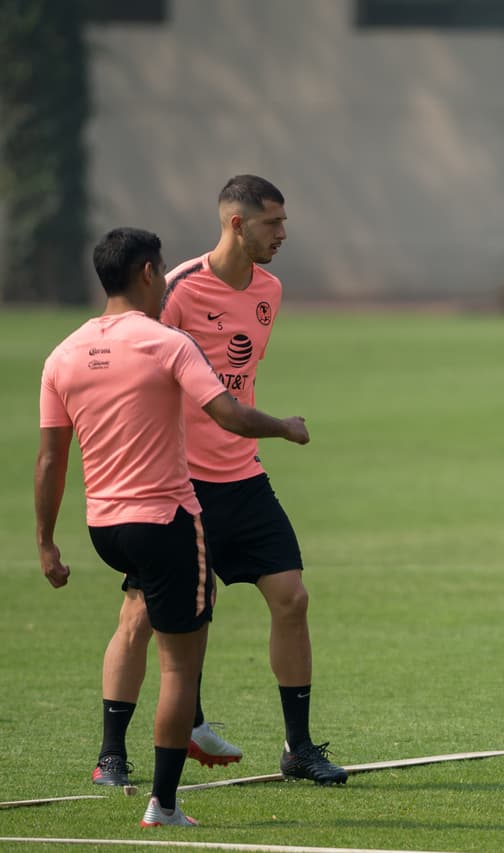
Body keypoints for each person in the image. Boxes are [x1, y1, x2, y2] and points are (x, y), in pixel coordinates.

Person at [38, 227, 310, 826]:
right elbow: (229, 414)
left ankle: (121, 756)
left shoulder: (64, 353)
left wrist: (45, 543)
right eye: (160, 271)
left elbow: (52, 460)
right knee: (179, 666)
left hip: (102, 525)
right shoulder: (167, 342)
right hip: (166, 516)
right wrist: (285, 426)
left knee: (145, 617)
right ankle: (163, 800)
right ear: (146, 274)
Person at [92, 175, 348, 789]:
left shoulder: (270, 290)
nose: (283, 235)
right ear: (237, 223)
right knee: (141, 618)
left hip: (243, 478)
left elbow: (239, 377)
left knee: (292, 598)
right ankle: (111, 755)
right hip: (181, 486)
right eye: (273, 223)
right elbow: (135, 353)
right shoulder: (178, 286)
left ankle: (298, 748)